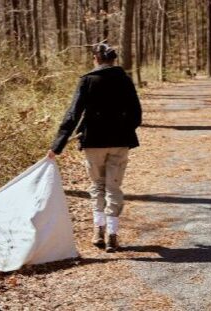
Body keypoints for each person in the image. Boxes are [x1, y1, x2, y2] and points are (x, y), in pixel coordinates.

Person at [47, 43, 142, 253]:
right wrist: (124, 129)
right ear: (113, 59)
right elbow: (137, 114)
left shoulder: (87, 80)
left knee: (98, 186)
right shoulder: (125, 80)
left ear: (96, 59)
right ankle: (112, 235)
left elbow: (72, 115)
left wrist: (57, 146)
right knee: (113, 188)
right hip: (120, 142)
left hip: (93, 143)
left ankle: (98, 231)